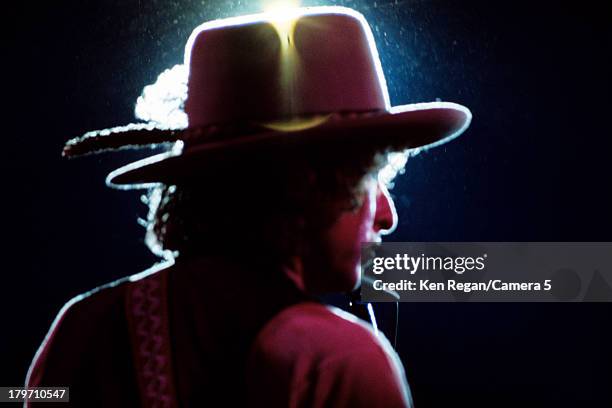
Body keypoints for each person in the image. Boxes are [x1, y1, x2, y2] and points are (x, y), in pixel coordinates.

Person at [26, 6, 471, 407]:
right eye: (370, 177)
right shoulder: (338, 360)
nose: (387, 215)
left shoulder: (77, 330)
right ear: (306, 182)